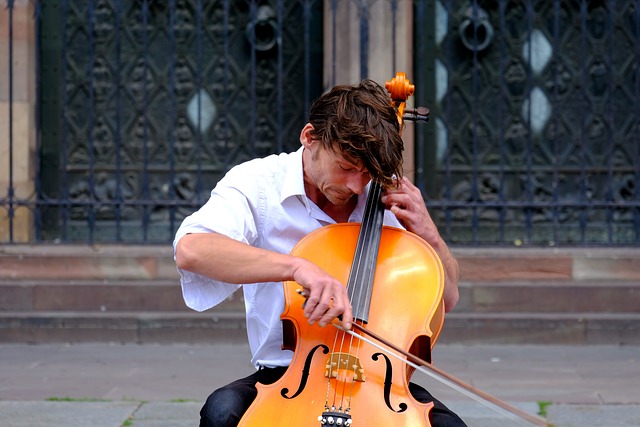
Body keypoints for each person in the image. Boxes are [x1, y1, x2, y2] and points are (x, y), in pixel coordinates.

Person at [173, 79, 466, 427]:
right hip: (284, 377)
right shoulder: (258, 183)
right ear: (310, 137)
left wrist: (429, 235)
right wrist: (296, 267)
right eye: (346, 167)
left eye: (368, 172)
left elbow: (447, 299)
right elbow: (191, 250)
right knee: (222, 412)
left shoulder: (386, 197)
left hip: (377, 382)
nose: (358, 186)